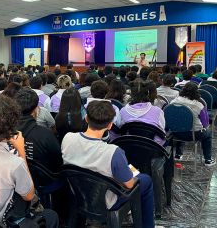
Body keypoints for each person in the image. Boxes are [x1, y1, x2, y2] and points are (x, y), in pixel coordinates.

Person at [0, 95, 59, 227]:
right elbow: (29, 195)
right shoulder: (14, 163)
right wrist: (22, 153)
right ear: (13, 125)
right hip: (0, 222)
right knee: (51, 216)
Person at [62, 100, 161, 228]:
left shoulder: (68, 138)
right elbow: (129, 184)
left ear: (86, 118)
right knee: (145, 180)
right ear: (109, 126)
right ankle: (148, 225)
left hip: (79, 194)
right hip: (107, 202)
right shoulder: (113, 152)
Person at [15, 88, 62, 172]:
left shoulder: (2, 133)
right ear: (35, 109)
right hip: (43, 182)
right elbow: (58, 162)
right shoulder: (46, 135)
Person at [170, 83, 215, 165]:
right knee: (208, 134)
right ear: (196, 92)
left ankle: (178, 154)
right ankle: (207, 159)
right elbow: (205, 124)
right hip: (194, 134)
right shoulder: (198, 105)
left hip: (175, 133)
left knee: (181, 126)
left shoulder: (173, 102)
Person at [120, 81, 166, 146]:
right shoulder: (158, 111)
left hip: (129, 148)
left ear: (130, 93)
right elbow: (161, 135)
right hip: (153, 149)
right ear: (148, 93)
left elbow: (121, 132)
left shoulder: (123, 111)